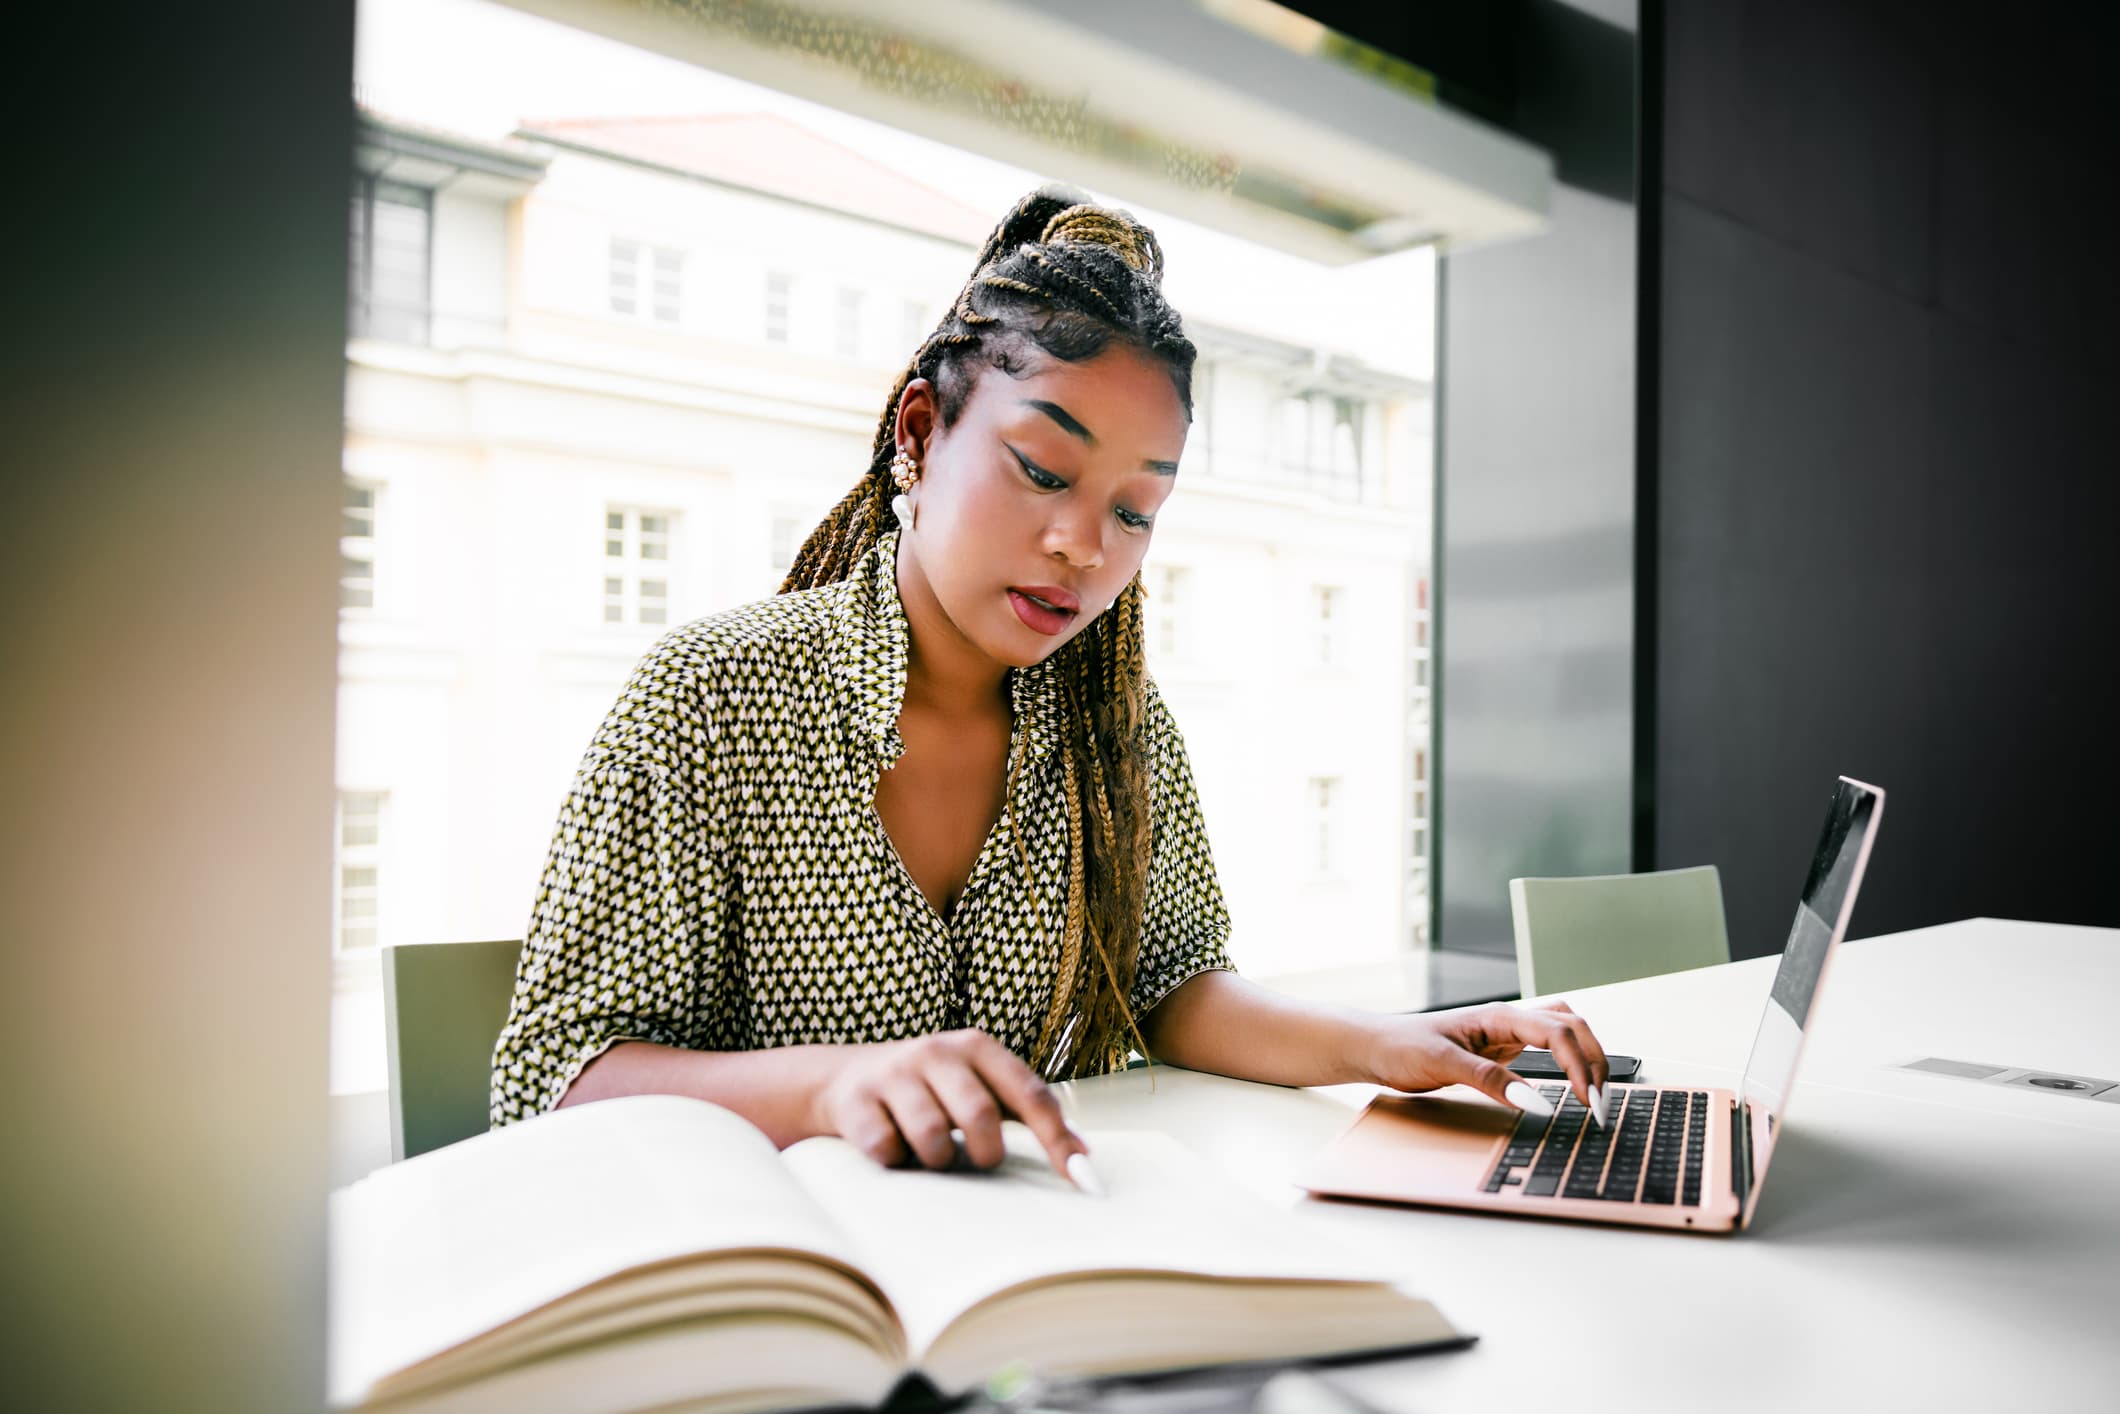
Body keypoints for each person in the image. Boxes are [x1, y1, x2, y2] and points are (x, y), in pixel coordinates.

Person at [490, 184, 1609, 1184]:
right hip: (758, 1279)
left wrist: (1383, 1045)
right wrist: (830, 1088)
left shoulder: (1112, 729)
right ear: (920, 434)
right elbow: (552, 1079)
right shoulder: (713, 694)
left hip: (1015, 1272)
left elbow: (1175, 990)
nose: (1084, 545)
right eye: (1041, 469)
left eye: (1134, 510)